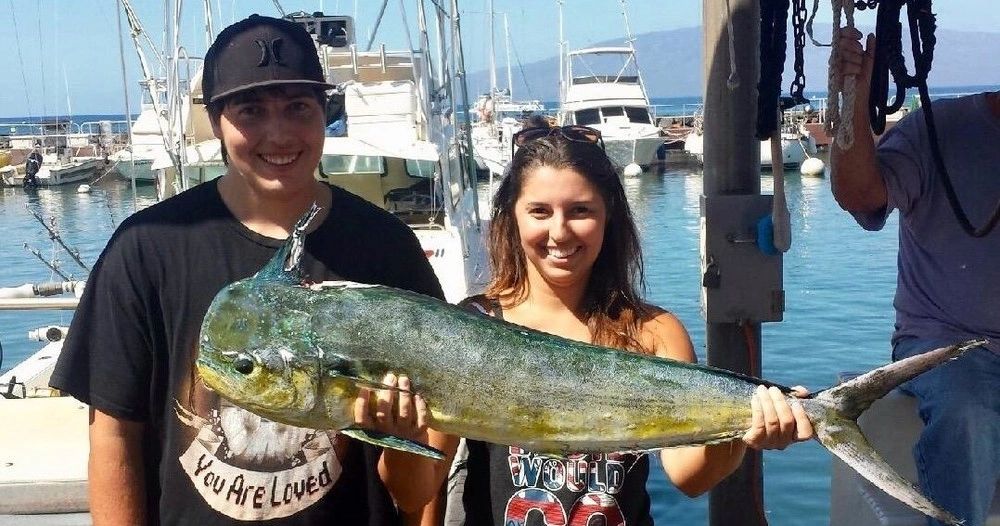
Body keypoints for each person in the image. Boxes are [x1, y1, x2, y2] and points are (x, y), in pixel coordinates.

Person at [51, 14, 448, 525]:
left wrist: (410, 434)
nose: (278, 133)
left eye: (298, 108)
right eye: (251, 111)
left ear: (324, 113)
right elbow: (114, 431)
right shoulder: (147, 247)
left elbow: (419, 484)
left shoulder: (387, 246)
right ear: (216, 121)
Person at [421, 125, 814, 525]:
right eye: (540, 211)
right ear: (512, 217)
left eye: (580, 211)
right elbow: (419, 486)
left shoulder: (655, 332)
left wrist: (740, 435)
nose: (559, 232)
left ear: (609, 216)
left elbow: (688, 477)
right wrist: (397, 428)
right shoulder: (470, 328)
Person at [831, 28, 1000, 526]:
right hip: (946, 343)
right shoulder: (937, 130)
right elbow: (861, 194)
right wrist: (852, 102)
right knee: (965, 413)